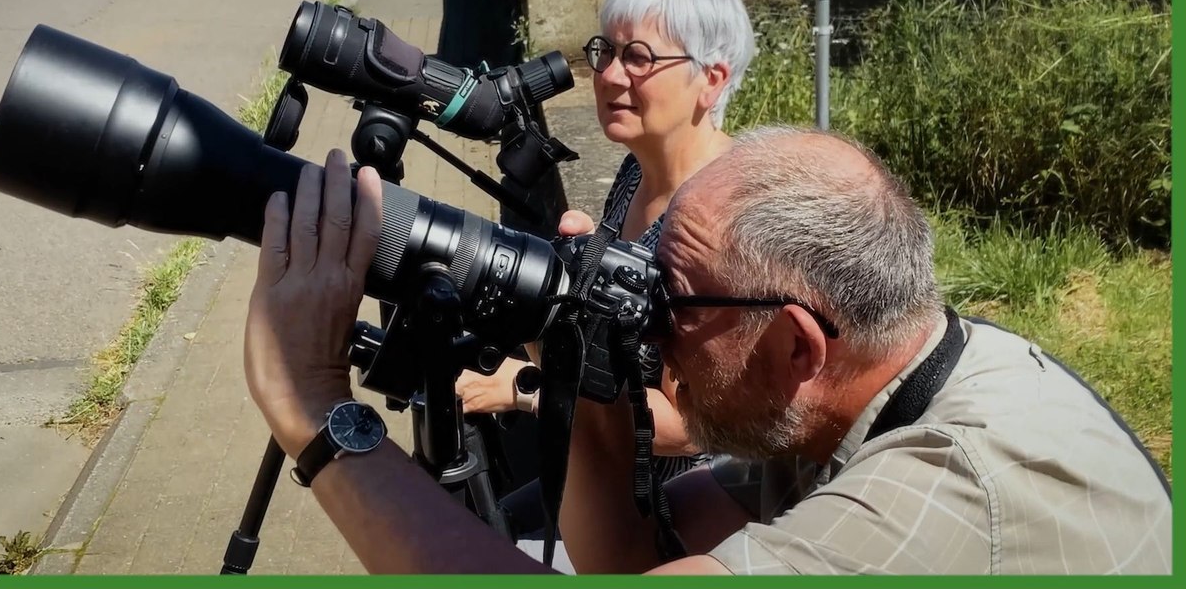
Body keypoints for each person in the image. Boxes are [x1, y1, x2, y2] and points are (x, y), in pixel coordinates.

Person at [243, 130, 1171, 575]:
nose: (652, 325)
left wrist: (316, 412)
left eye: (671, 301)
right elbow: (628, 557)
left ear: (795, 345)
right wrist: (584, 364)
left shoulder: (941, 498)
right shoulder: (875, 382)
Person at [455, 0, 757, 492]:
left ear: (710, 81)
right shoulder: (637, 165)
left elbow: (692, 427)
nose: (612, 75)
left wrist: (527, 389)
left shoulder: (721, 221)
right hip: (608, 473)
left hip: (682, 507)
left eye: (639, 58)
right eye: (607, 52)